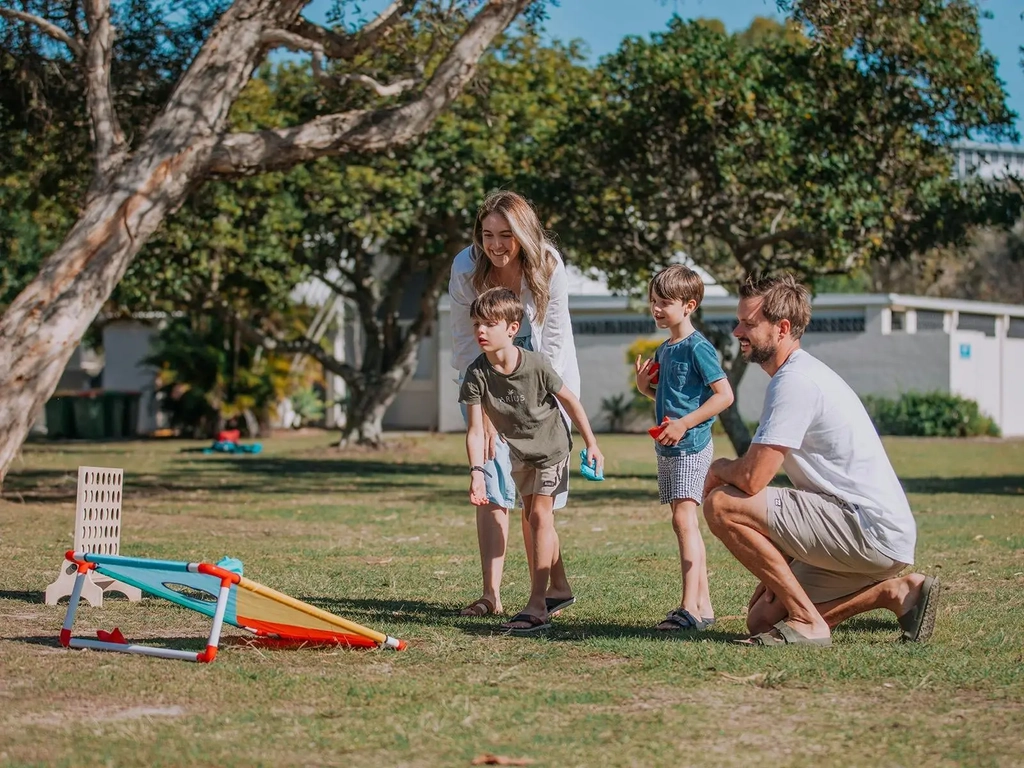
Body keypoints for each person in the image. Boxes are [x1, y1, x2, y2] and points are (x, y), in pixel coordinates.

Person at [702, 273, 940, 647]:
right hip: (876, 537)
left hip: (866, 529)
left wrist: (718, 469)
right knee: (762, 621)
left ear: (781, 328)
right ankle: (894, 594)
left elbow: (752, 478)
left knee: (723, 504)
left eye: (749, 323)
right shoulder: (797, 376)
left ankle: (806, 622)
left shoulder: (795, 382)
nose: (737, 331)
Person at [449, 191, 581, 619]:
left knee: (532, 503)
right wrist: (484, 412)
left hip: (540, 388)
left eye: (506, 235)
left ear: (524, 234)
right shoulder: (466, 267)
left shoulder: (548, 264)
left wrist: (540, 407)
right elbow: (464, 341)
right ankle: (491, 595)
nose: (496, 245)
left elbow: (555, 343)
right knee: (491, 486)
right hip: (488, 386)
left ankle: (550, 589)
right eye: (488, 234)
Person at [460, 288, 603, 634]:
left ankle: (537, 604)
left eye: (489, 324)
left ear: (512, 327)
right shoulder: (477, 373)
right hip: (520, 453)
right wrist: (477, 472)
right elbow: (476, 431)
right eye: (477, 323)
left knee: (539, 516)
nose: (480, 330)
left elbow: (570, 401)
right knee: (534, 518)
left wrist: (592, 443)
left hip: (553, 449)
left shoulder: (536, 364)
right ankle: (560, 589)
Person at [634, 265, 735, 632]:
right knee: (682, 521)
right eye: (653, 302)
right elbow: (667, 397)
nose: (656, 309)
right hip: (669, 449)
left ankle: (689, 608)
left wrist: (685, 424)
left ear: (689, 305)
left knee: (684, 520)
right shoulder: (664, 348)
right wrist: (645, 386)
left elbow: (724, 396)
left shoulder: (698, 347)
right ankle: (703, 607)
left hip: (691, 445)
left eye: (664, 303)